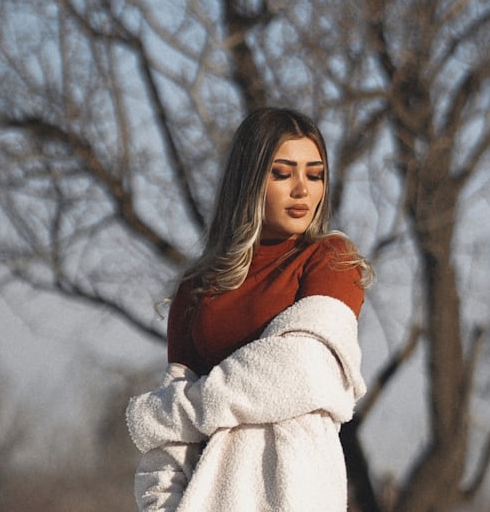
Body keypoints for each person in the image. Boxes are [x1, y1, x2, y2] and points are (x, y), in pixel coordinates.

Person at [126, 107, 373, 512]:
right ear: (250, 179)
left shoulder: (330, 259)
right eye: (282, 173)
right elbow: (166, 449)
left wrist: (169, 413)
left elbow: (303, 370)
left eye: (315, 174)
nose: (302, 190)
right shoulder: (197, 289)